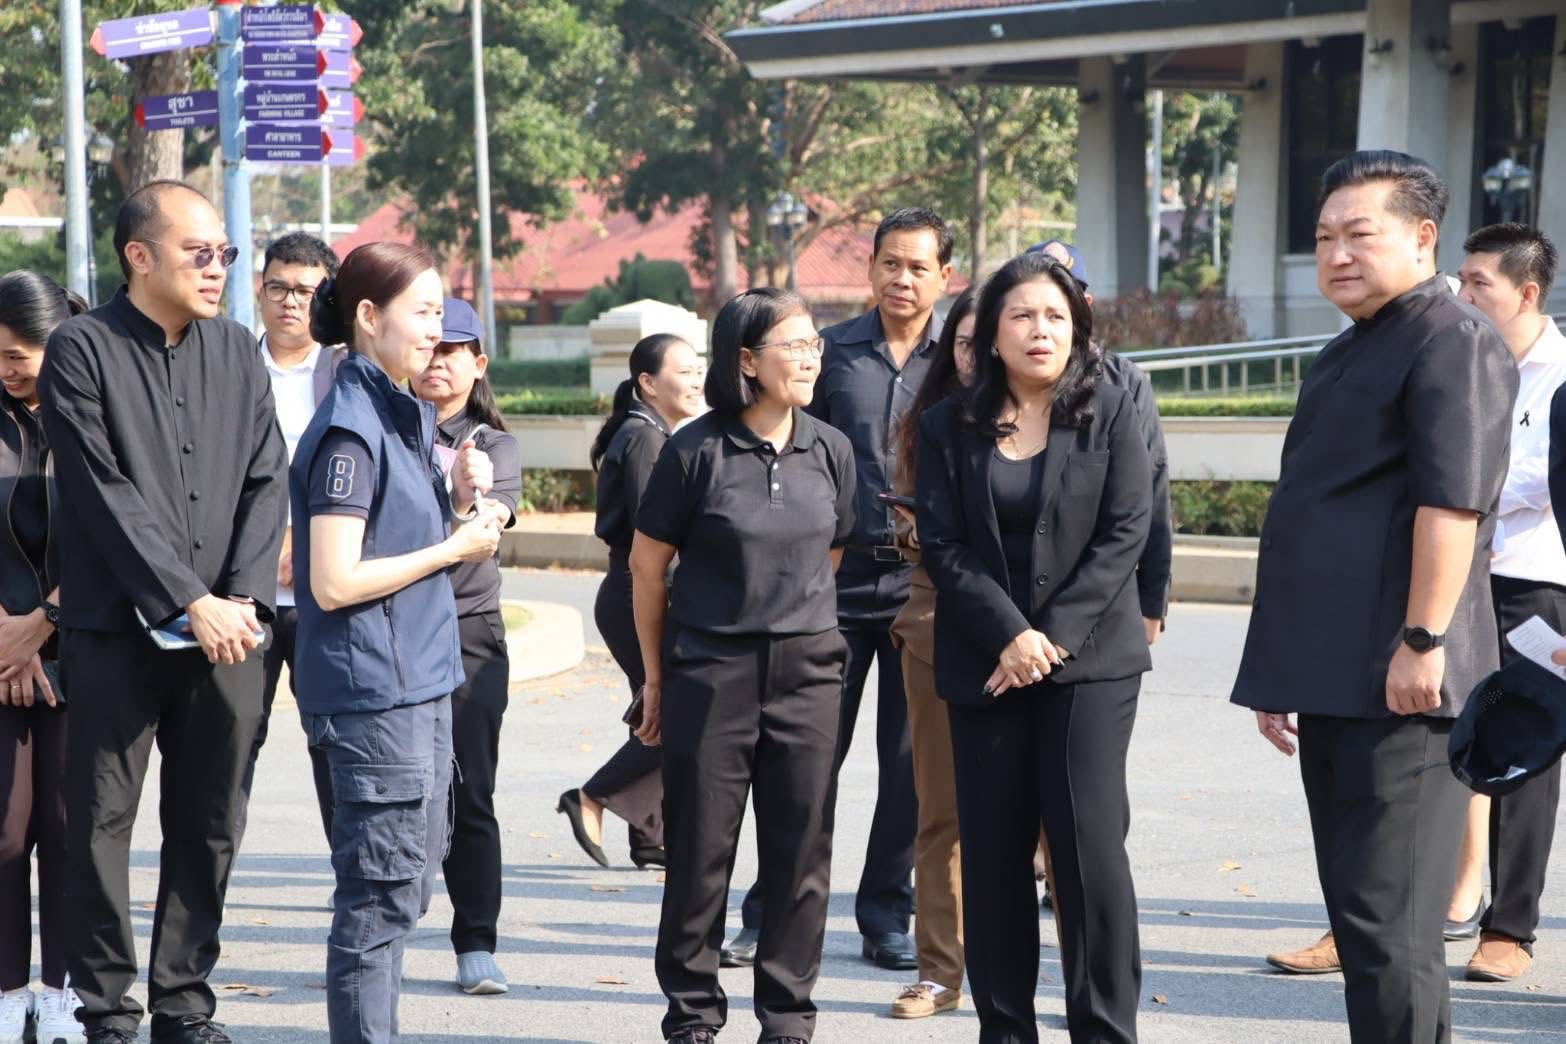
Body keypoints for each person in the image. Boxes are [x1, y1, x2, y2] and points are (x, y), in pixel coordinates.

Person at [1232, 151, 1516, 1043]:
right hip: (1341, 678)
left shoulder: (1448, 338)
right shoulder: (1353, 347)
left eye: (1361, 234)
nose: (1337, 254)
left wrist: (1423, 640)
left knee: (1390, 930)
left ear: (1423, 238)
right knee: (1366, 923)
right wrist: (1281, 670)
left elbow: (1453, 503)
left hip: (1406, 685)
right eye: (1324, 237)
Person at [38, 181, 288, 1044]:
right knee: (99, 823)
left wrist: (241, 600)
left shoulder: (239, 353)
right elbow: (103, 494)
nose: (219, 268)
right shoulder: (81, 349)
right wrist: (189, 599)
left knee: (212, 818)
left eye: (226, 253)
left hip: (232, 637)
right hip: (117, 629)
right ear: (138, 256)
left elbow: (268, 478)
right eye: (200, 252)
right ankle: (107, 1011)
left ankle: (184, 1002)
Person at [917, 251, 1152, 1043]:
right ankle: (1006, 1029)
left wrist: (1046, 637)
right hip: (985, 661)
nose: (1039, 329)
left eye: (1054, 315)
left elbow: (1127, 529)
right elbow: (942, 544)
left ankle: (1104, 1029)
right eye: (1021, 316)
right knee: (993, 856)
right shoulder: (949, 421)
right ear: (992, 336)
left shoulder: (1112, 401)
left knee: (1089, 854)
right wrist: (1009, 635)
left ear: (1077, 325)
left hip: (1090, 663)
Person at [726, 207, 952, 973]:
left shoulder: (960, 359)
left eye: (918, 266)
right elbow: (787, 449)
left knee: (908, 764)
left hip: (923, 586)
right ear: (872, 268)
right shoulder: (832, 355)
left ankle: (887, 910)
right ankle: (773, 909)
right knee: (805, 757)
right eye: (890, 262)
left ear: (944, 277)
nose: (902, 277)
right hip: (836, 581)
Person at [291, 242, 505, 1044]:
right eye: (421, 312)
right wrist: (454, 550)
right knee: (379, 895)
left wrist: (453, 500)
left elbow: (397, 536)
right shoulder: (351, 429)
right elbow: (335, 580)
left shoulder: (398, 410)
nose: (436, 328)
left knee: (412, 875)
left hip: (419, 681)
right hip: (375, 693)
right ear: (368, 318)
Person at [631, 288, 855, 1044]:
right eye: (794, 345)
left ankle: (788, 1020)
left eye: (815, 344)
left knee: (801, 854)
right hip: (710, 672)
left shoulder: (831, 448)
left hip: (809, 673)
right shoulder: (695, 451)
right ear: (748, 360)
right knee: (699, 852)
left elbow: (830, 551)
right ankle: (692, 1016)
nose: (810, 357)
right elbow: (646, 567)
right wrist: (656, 678)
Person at [1455, 223, 1565, 983]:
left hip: (1533, 585)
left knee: (1526, 752)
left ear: (1526, 293)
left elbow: (1531, 481)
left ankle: (1510, 928)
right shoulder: (1462, 360)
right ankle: (1376, 916)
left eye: (1476, 286)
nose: (1460, 297)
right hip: (1452, 581)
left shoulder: (1559, 374)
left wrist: (1451, 493)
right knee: (1422, 742)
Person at [557, 333, 705, 870]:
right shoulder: (646, 440)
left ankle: (649, 834)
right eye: (684, 371)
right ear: (648, 382)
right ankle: (591, 796)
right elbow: (655, 533)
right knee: (678, 713)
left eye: (698, 369)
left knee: (655, 711)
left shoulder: (644, 432)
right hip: (638, 590)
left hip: (629, 590)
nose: (696, 380)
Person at [413, 297, 523, 996]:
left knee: (468, 790)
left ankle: (475, 942)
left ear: (477, 363)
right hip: (388, 628)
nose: (438, 360)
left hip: (466, 631)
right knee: (392, 790)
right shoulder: (380, 425)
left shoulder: (493, 445)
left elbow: (490, 521)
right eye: (428, 345)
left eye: (453, 349)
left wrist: (463, 501)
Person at [884, 287, 976, 1020]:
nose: (976, 353)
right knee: (939, 812)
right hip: (938, 629)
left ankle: (1085, 979)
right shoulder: (930, 425)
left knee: (1059, 822)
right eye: (965, 340)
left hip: (1042, 646)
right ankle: (940, 972)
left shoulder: (1065, 418)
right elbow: (909, 526)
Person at [0, 271, 84, 1044]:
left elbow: (114, 535)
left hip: (79, 647)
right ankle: (5, 990)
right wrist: (7, 634)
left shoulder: (93, 415)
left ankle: (60, 991)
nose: (8, 367)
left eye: (21, 352)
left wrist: (42, 623)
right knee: (5, 829)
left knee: (64, 828)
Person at [247, 230, 342, 840]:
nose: (290, 302)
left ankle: (355, 887)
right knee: (225, 757)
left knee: (335, 752)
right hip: (240, 602)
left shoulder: (351, 374)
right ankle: (203, 910)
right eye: (278, 287)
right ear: (259, 289)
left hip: (323, 601)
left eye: (306, 290)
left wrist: (301, 540)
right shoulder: (226, 367)